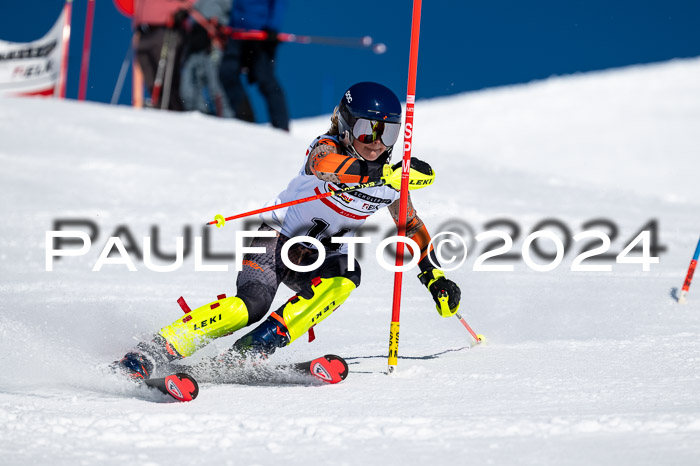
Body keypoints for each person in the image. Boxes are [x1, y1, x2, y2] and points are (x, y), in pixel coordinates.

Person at [116, 82, 461, 379]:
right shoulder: (328, 146)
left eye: (387, 132)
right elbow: (324, 167)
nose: (376, 142)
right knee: (249, 306)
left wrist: (435, 278)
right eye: (366, 130)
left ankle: (252, 351)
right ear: (344, 126)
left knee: (346, 275)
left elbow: (409, 225)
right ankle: (152, 351)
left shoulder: (391, 179)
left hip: (323, 254)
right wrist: (379, 174)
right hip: (278, 238)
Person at [218, 0, 290, 130]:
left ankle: (281, 126)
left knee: (264, 77)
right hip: (237, 33)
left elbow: (279, 3)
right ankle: (244, 117)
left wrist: (272, 27)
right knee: (227, 72)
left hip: (260, 35)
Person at [133, 0, 195, 110]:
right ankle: (160, 111)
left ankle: (176, 117)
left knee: (168, 82)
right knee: (152, 82)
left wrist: (184, 10)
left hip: (168, 26)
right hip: (143, 29)